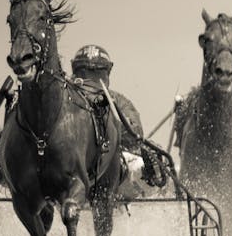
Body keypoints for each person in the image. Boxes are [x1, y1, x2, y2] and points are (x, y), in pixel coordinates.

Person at [70, 45, 166, 189]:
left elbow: (136, 135)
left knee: (140, 164)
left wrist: (114, 125)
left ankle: (153, 177)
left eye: (97, 76)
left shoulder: (119, 101)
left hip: (117, 168)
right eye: (84, 75)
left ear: (107, 76)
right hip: (72, 167)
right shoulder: (66, 103)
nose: (90, 82)